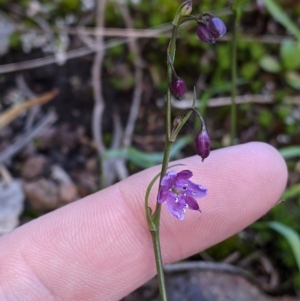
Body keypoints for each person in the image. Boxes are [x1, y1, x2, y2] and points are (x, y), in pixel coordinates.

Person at [0, 142, 287, 301]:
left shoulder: (175, 188)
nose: (178, 191)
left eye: (178, 188)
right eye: (175, 188)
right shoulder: (165, 190)